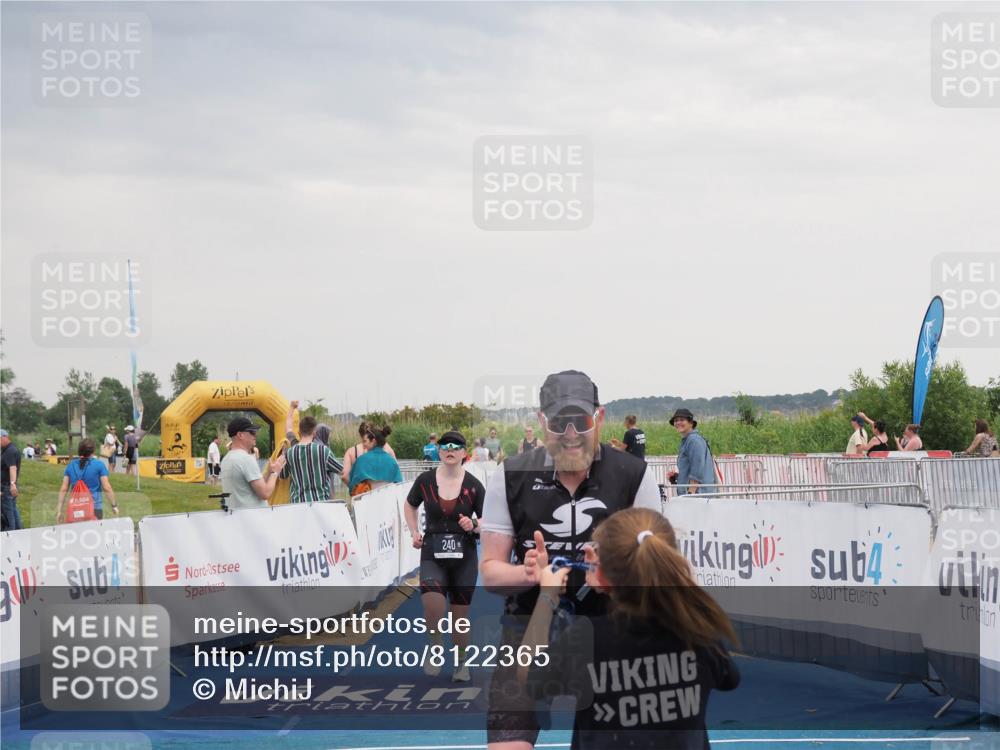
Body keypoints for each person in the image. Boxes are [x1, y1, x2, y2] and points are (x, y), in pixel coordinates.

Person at [479, 370, 663, 750]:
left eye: (579, 421)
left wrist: (615, 574)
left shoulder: (634, 474)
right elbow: (490, 573)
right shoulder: (510, 477)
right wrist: (528, 573)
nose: (570, 434)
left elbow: (656, 569)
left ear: (599, 418)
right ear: (542, 422)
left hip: (612, 633)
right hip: (528, 627)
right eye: (560, 423)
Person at [518, 507, 740, 750]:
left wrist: (546, 597)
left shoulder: (588, 638)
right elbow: (728, 678)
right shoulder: (698, 632)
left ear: (599, 566)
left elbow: (529, 674)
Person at [404, 430, 485, 681]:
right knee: (433, 605)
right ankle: (435, 645)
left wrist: (473, 525)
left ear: (464, 453)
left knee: (459, 617)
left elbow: (487, 520)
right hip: (432, 553)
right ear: (439, 451)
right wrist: (414, 531)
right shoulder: (425, 481)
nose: (450, 450)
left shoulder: (474, 485)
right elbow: (410, 505)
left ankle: (461, 663)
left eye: (456, 446)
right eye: (445, 446)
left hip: (465, 557)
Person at [220, 417, 287, 509]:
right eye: (252, 432)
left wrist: (269, 472)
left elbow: (252, 486)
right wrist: (275, 472)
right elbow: (265, 493)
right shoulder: (246, 459)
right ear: (240, 435)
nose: (255, 436)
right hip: (253, 518)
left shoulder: (226, 459)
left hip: (236, 517)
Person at [281, 416, 344, 503]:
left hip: (298, 505)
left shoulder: (289, 453)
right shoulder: (323, 451)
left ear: (299, 432)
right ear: (314, 433)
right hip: (320, 503)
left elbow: (282, 475)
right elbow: (341, 470)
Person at [56, 439, 119, 522]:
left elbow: (64, 489)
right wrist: (114, 505)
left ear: (79, 450)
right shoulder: (99, 465)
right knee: (94, 533)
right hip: (94, 508)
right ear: (93, 451)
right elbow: (106, 487)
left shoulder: (70, 466)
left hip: (75, 507)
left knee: (78, 533)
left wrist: (59, 510)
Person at [348, 424, 402, 496]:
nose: (363, 445)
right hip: (388, 502)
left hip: (366, 502)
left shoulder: (361, 460)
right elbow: (399, 485)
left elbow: (353, 486)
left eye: (365, 441)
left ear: (373, 441)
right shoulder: (392, 462)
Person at [670, 409, 716, 493]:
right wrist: (677, 477)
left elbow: (697, 468)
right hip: (695, 493)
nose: (678, 423)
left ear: (691, 423)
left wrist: (691, 493)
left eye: (682, 420)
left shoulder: (694, 440)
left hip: (698, 495)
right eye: (676, 420)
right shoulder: (688, 440)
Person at [1, 430, 23, 531]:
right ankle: (20, 533)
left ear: (4, 437)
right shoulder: (8, 450)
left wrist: (12, 484)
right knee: (13, 511)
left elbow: (13, 468)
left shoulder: (9, 451)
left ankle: (9, 536)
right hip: (8, 486)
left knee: (8, 514)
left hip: (7, 487)